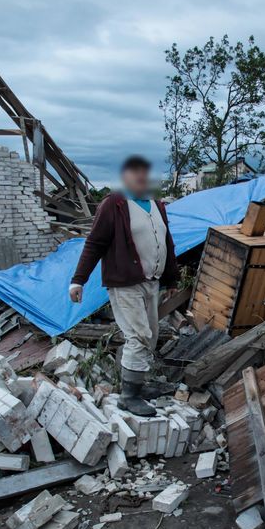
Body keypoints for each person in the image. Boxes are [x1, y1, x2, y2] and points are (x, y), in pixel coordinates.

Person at [69, 155, 179, 416]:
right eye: (135, 175)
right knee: (138, 335)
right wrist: (78, 280)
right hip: (124, 284)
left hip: (151, 282)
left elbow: (167, 243)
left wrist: (171, 279)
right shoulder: (115, 204)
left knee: (150, 335)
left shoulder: (156, 205)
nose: (141, 179)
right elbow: (94, 244)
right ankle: (128, 396)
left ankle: (140, 384)